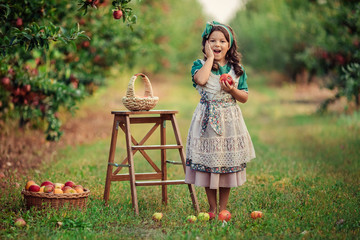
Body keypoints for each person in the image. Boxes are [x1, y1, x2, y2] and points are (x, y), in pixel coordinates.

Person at [185, 21, 256, 215]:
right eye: (212, 41)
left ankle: (223, 208)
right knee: (209, 164)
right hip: (206, 121)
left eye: (222, 41)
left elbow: (245, 97)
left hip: (229, 121)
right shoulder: (199, 65)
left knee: (226, 164)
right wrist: (209, 59)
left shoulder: (237, 69)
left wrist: (232, 89)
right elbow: (200, 80)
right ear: (206, 44)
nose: (217, 45)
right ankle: (212, 207)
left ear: (229, 45)